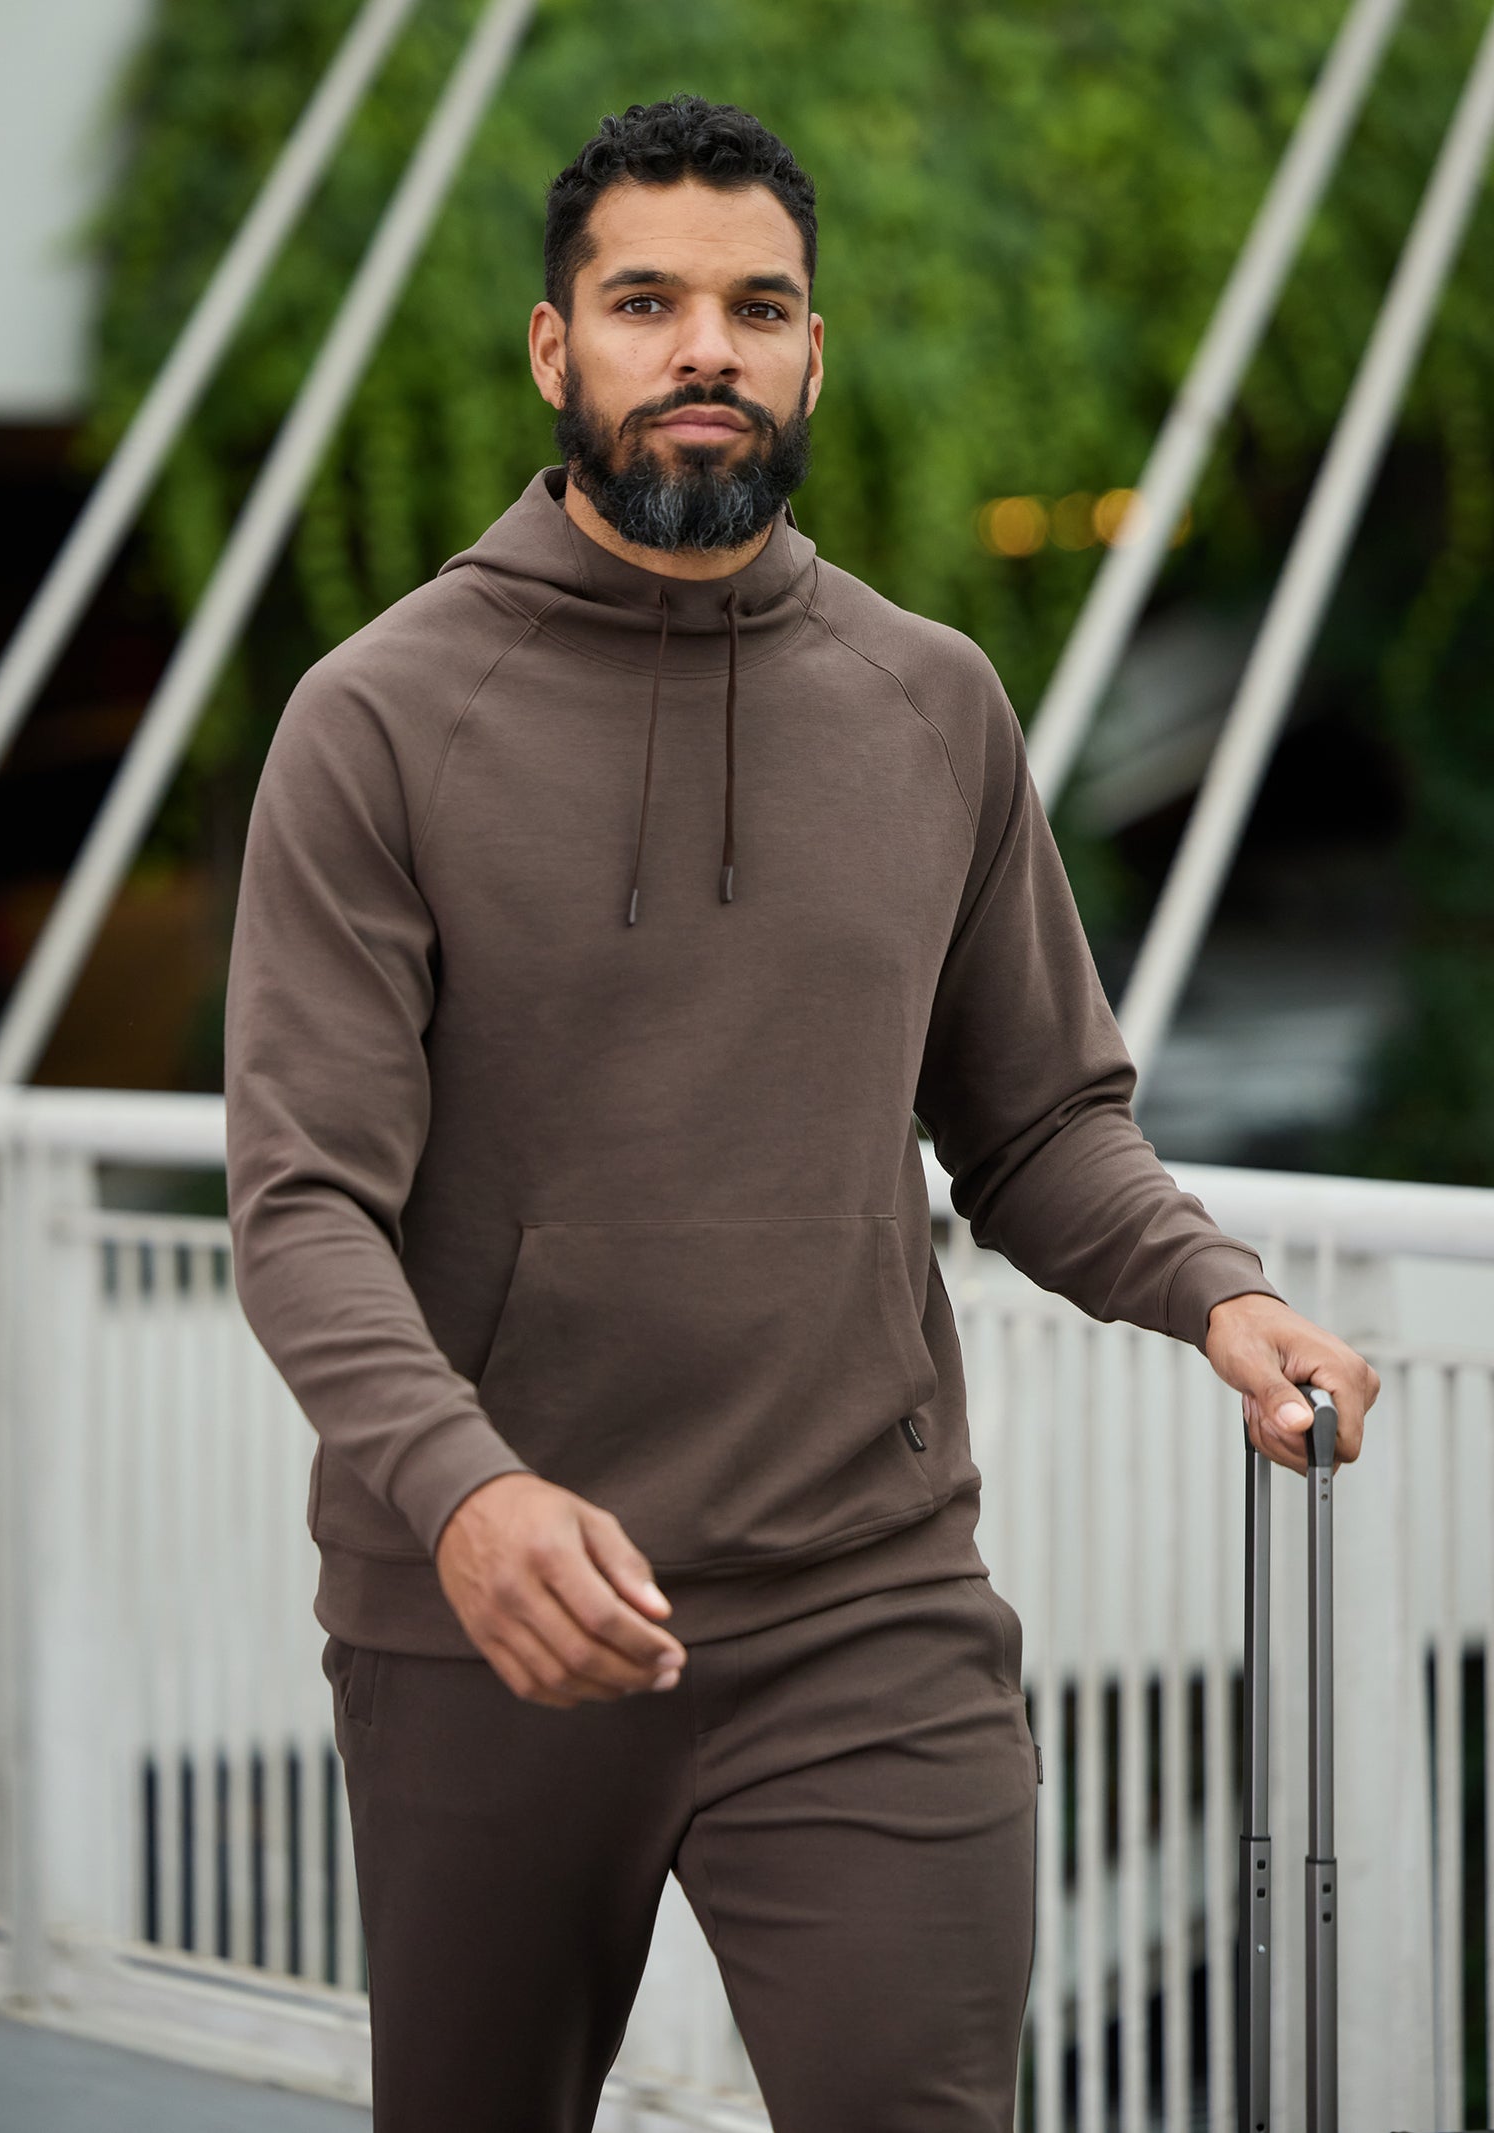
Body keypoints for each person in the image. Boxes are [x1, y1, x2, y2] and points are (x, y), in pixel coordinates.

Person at [223, 92, 1376, 2133]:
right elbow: (302, 1194)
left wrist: (1214, 1293)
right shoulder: (379, 716)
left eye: (757, 306)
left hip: (868, 1604)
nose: (704, 348)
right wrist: (460, 1490)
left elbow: (1032, 1121)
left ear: (812, 353)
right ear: (551, 346)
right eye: (644, 299)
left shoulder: (930, 701)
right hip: (483, 1611)